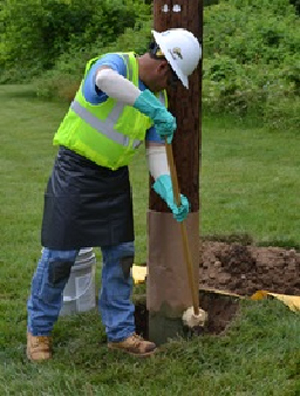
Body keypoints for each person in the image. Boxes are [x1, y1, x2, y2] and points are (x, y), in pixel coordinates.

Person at [26, 28, 202, 361]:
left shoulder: (158, 102)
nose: (171, 88)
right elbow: (105, 81)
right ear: (164, 66)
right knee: (60, 257)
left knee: (120, 257)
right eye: (175, 80)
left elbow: (154, 151)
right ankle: (39, 333)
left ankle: (120, 334)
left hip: (112, 179)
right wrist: (151, 106)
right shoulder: (115, 65)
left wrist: (167, 189)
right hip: (75, 172)